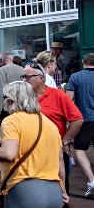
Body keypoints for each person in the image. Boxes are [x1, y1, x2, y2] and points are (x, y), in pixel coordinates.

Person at [21, 64, 82, 200]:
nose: (24, 80)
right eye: (23, 76)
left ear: (40, 78)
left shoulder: (57, 95)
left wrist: (65, 141)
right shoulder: (23, 97)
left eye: (27, 77)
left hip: (55, 152)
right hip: (30, 153)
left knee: (61, 191)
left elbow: (77, 119)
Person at [66, 53, 94, 198]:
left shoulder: (75, 77)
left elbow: (69, 100)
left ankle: (92, 180)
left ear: (83, 62)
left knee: (80, 149)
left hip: (85, 118)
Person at [0, 51, 24, 120]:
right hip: (20, 103)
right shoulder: (22, 69)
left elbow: (2, 89)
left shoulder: (2, 69)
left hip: (7, 105)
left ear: (2, 60)